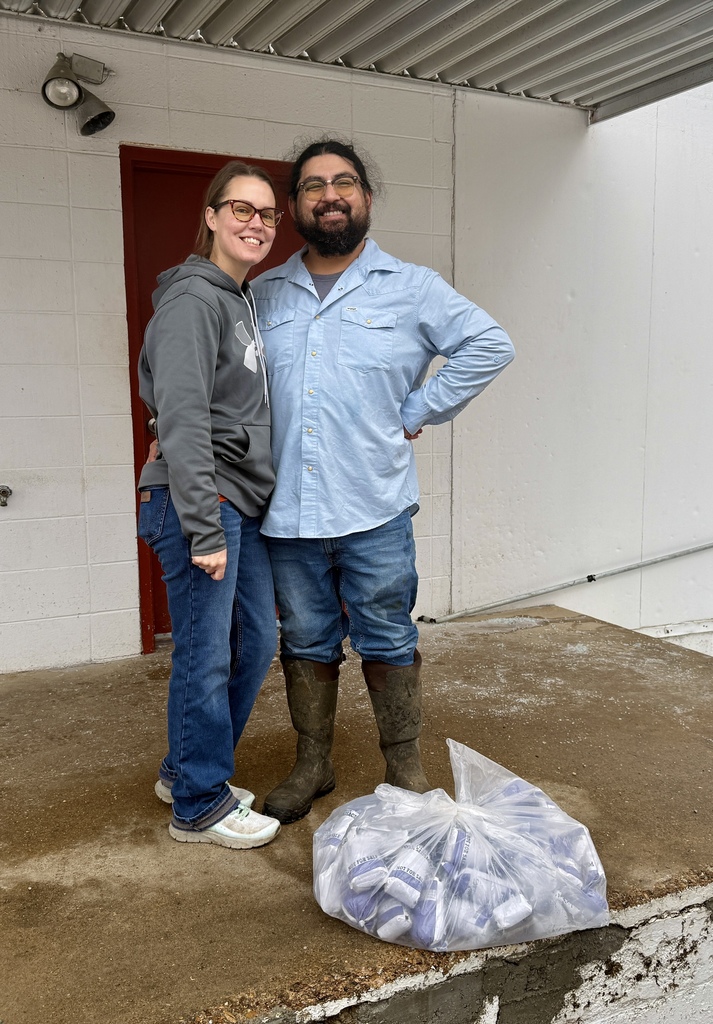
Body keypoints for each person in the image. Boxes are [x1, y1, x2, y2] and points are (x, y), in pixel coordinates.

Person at [251, 139, 515, 825]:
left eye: (343, 182)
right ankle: (314, 763)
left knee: (388, 638)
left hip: (374, 507)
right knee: (304, 642)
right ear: (294, 205)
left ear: (367, 198)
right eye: (312, 185)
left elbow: (488, 345)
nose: (329, 195)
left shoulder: (412, 286)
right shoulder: (263, 292)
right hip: (288, 515)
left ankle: (403, 763)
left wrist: (418, 408)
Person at [137, 161, 282, 850]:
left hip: (237, 502)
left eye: (268, 214)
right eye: (242, 209)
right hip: (201, 500)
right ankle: (197, 802)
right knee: (206, 654)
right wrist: (203, 526)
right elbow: (183, 417)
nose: (257, 223)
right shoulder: (193, 301)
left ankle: (185, 768)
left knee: (253, 642)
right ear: (211, 216)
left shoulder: (235, 298)